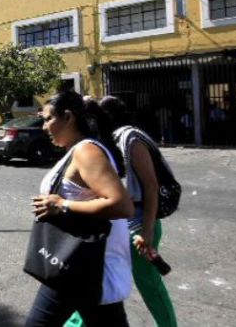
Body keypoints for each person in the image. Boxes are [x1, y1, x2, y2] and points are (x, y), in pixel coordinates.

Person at [25, 90, 134, 327]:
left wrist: (62, 205)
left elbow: (122, 205)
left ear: (68, 118)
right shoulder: (76, 150)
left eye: (48, 119)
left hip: (84, 265)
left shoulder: (86, 151)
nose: (44, 127)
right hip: (74, 264)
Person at [98, 95, 178, 327]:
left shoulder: (130, 138)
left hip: (140, 220)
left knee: (148, 283)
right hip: (125, 219)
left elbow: (151, 185)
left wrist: (148, 230)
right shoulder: (112, 139)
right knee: (100, 278)